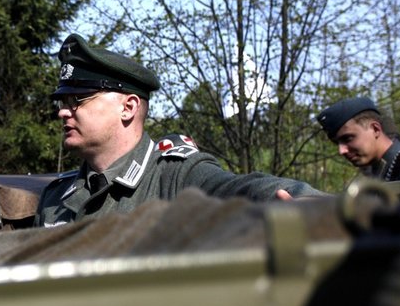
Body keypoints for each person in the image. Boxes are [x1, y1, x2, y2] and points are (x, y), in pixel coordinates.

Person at [35, 34, 323, 227]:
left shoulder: (175, 176)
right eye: (63, 101)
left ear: (129, 107)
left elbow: (237, 187)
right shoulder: (56, 197)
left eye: (78, 100)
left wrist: (308, 202)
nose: (63, 111)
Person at [316, 96, 400, 182]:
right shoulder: (380, 171)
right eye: (337, 143)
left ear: (375, 129)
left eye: (348, 138)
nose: (341, 151)